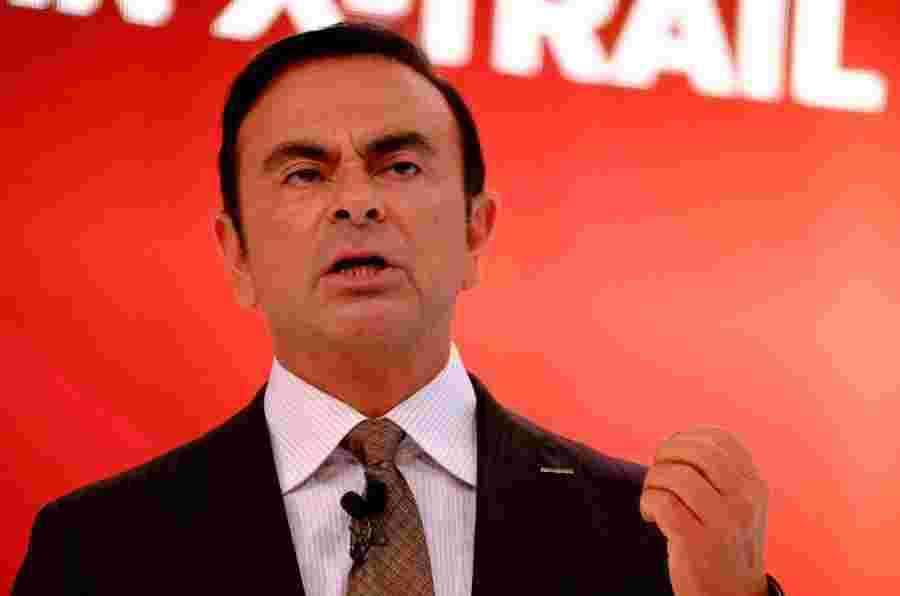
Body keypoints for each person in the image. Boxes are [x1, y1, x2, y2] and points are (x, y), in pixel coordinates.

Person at [13, 22, 784, 596]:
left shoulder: (648, 535)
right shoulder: (98, 550)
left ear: (477, 230)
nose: (357, 203)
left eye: (400, 165)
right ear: (236, 252)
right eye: (305, 174)